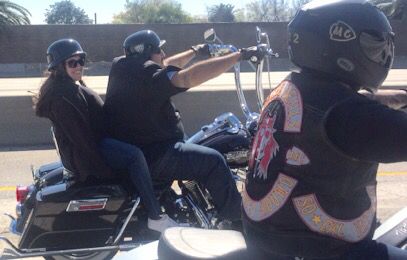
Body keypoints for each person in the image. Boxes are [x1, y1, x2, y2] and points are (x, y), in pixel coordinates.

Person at [242, 0, 407, 259]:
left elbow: (350, 104)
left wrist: (401, 95)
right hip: (319, 249)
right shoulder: (349, 115)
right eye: (374, 46)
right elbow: (363, 116)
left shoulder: (293, 87)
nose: (382, 56)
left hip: (273, 238)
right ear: (341, 44)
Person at [103, 30, 264, 223]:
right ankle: (238, 224)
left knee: (205, 140)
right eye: (160, 50)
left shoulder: (122, 66)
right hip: (157, 155)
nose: (164, 55)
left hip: (143, 148)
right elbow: (187, 77)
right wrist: (239, 56)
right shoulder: (148, 76)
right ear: (148, 53)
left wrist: (196, 50)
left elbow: (164, 66)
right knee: (214, 160)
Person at [33, 38, 179, 233]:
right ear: (59, 67)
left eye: (81, 61)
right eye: (72, 63)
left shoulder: (68, 88)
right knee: (134, 155)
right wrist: (102, 170)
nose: (79, 67)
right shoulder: (64, 97)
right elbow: (81, 139)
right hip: (94, 148)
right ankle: (155, 215)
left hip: (96, 142)